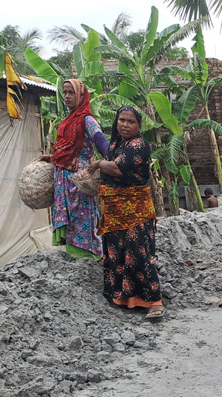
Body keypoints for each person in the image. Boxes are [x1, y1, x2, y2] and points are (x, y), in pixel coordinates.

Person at [87, 106, 163, 320]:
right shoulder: (116, 145)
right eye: (122, 120)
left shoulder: (138, 145)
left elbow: (118, 169)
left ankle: (154, 301)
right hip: (114, 212)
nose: (125, 124)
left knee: (139, 255)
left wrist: (99, 163)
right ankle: (124, 298)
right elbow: (100, 143)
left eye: (131, 121)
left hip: (135, 211)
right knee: (117, 253)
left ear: (139, 126)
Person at [38, 79, 109, 260]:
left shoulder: (87, 119)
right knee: (69, 216)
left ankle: (93, 255)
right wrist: (52, 159)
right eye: (65, 92)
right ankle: (74, 256)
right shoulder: (67, 121)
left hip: (79, 178)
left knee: (83, 215)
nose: (67, 96)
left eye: (72, 93)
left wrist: (114, 155)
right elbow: (64, 150)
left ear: (80, 95)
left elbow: (99, 139)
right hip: (62, 176)